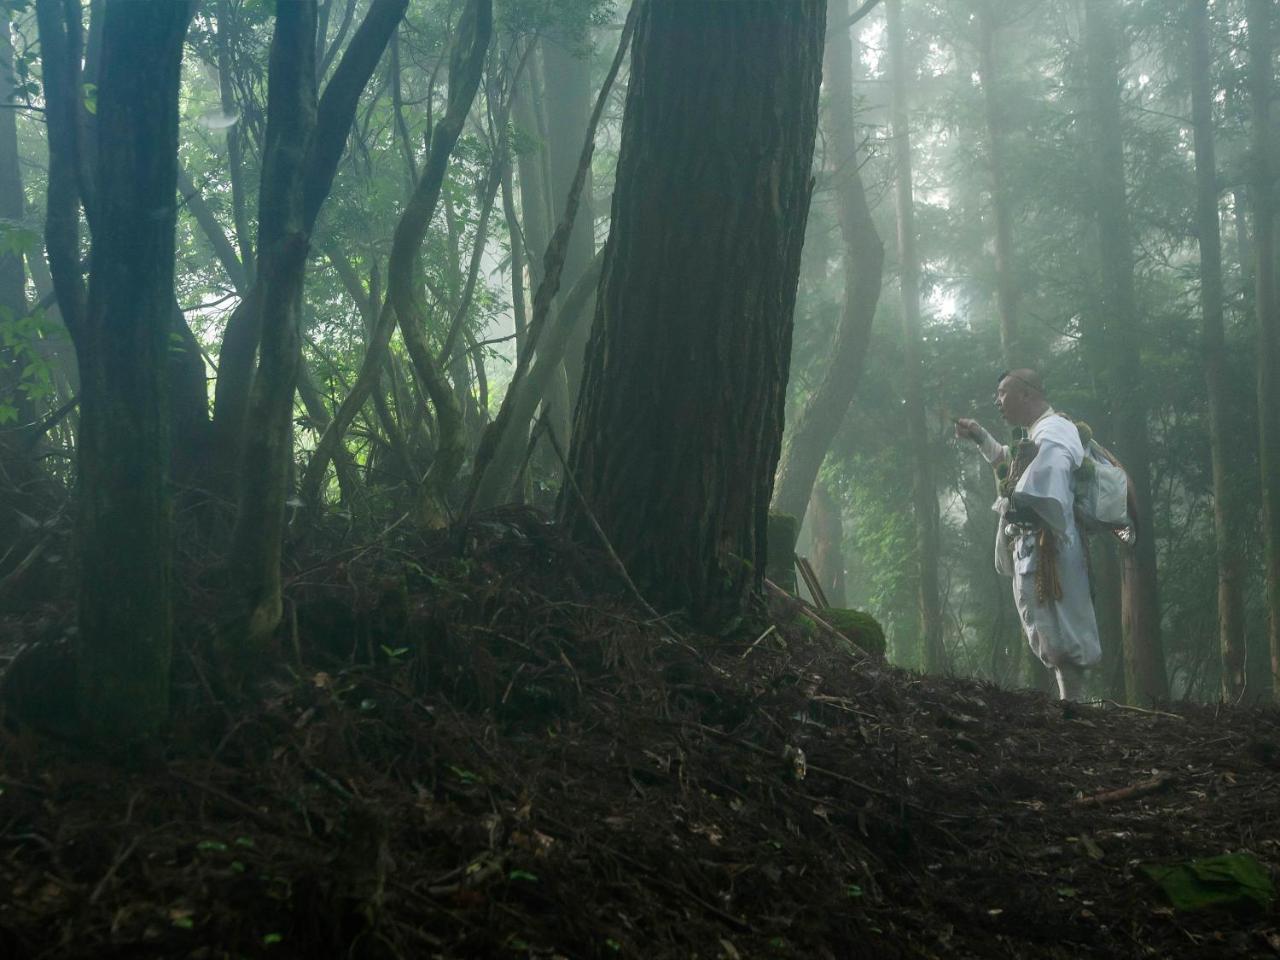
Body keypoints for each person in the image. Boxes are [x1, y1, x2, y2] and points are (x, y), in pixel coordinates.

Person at [954, 369, 1101, 700]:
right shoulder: (1039, 433)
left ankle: (1073, 706)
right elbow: (1012, 466)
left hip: (1051, 550)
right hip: (1034, 548)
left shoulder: (1054, 431)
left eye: (1003, 393)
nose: (998, 401)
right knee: (1046, 626)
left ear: (1027, 394)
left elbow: (1041, 485)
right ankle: (1071, 704)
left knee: (1060, 625)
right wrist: (980, 436)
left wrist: (1011, 503)